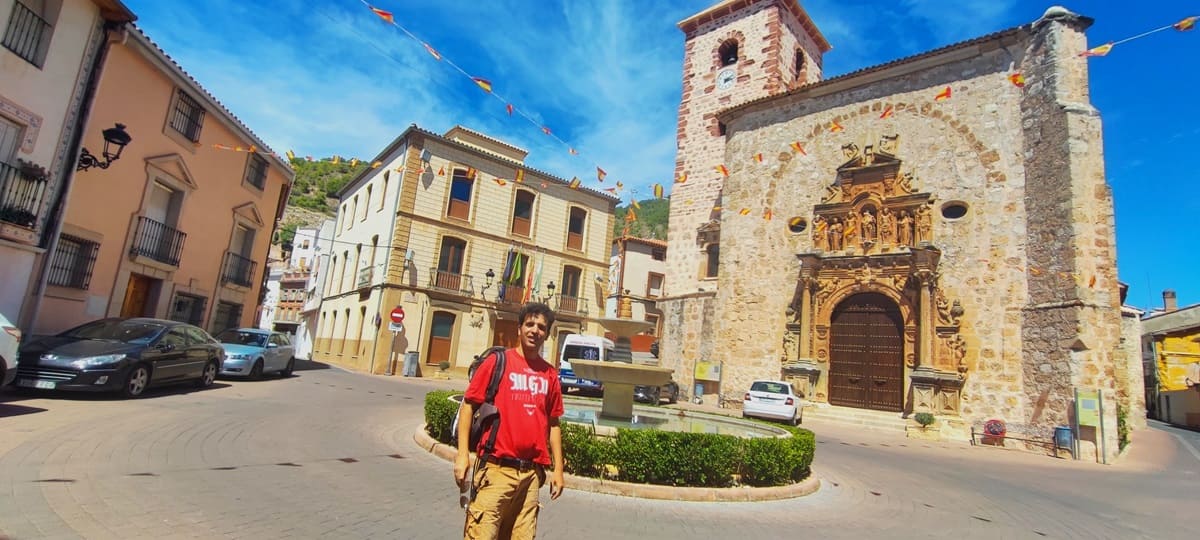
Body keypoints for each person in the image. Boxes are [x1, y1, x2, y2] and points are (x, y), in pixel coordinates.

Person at [455, 302, 564, 539]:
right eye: (530, 324)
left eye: (542, 327)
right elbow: (468, 406)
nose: (535, 330)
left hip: (531, 477)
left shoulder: (550, 374)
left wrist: (558, 470)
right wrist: (462, 454)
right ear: (520, 328)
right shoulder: (497, 362)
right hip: (495, 470)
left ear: (547, 334)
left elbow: (554, 424)